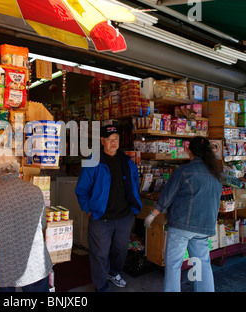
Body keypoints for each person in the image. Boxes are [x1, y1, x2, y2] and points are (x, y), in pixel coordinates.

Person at [144, 136, 222, 292]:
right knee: (202, 263)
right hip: (204, 227)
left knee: (173, 265)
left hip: (181, 226)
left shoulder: (184, 171)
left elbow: (167, 196)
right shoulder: (216, 174)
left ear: (189, 152)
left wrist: (152, 215)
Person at [0, 153, 53, 292]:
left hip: (3, 268)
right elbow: (42, 224)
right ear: (16, 170)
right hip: (36, 262)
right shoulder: (35, 190)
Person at [75, 124, 143, 292]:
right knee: (99, 253)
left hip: (124, 216)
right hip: (101, 217)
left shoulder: (128, 161)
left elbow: (135, 184)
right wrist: (89, 211)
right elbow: (81, 190)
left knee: (120, 251)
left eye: (116, 139)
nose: (113, 143)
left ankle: (113, 273)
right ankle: (101, 285)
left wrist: (134, 207)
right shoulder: (93, 161)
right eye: (109, 140)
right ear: (102, 141)